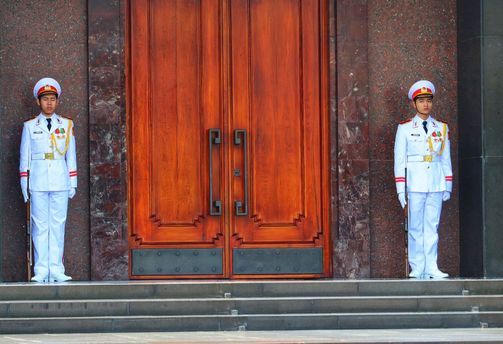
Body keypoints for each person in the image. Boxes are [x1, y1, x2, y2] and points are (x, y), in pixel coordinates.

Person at [19, 77, 77, 282]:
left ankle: (57, 269)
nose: (49, 103)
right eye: (45, 99)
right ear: (38, 102)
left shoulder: (67, 125)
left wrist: (73, 181)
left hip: (60, 181)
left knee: (58, 226)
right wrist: (24, 183)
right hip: (38, 181)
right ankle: (41, 270)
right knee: (40, 226)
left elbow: (71, 156)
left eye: (53, 99)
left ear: (57, 101)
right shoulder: (30, 126)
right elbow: (24, 157)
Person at [394, 80, 452, 279]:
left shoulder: (441, 127)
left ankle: (432, 267)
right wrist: (401, 190)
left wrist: (448, 184)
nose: (425, 104)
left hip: (435, 183)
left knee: (432, 227)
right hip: (415, 183)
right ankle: (417, 266)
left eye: (428, 100)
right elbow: (399, 161)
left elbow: (445, 158)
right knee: (415, 226)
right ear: (414, 104)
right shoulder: (405, 128)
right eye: (421, 101)